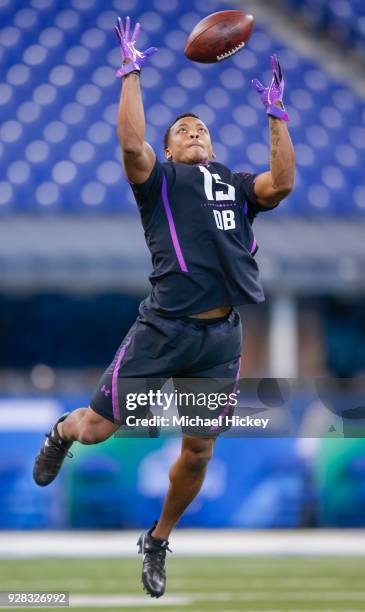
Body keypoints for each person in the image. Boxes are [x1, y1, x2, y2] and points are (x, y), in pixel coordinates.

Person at [33, 15, 295, 599]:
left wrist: (277, 116)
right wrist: (131, 73)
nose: (194, 130)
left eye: (200, 126)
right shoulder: (160, 182)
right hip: (163, 329)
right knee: (98, 429)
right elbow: (131, 144)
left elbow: (282, 182)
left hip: (220, 337)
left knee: (198, 455)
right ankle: (60, 432)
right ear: (171, 148)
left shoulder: (233, 183)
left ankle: (157, 539)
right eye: (182, 129)